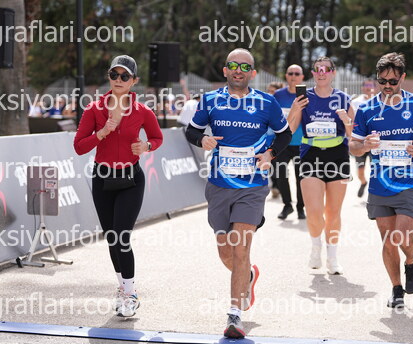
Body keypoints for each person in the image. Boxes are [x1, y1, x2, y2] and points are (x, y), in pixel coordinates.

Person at [185, 48, 292, 339]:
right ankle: (249, 275)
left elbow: (284, 134)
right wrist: (203, 139)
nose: (238, 70)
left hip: (252, 186)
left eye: (245, 66)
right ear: (225, 70)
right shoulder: (210, 100)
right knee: (225, 250)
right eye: (233, 65)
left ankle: (234, 315)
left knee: (241, 247)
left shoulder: (266, 102)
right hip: (219, 185)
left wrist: (269, 154)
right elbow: (191, 131)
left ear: (252, 73)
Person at [74, 55, 163, 317]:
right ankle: (122, 288)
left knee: (122, 236)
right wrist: (101, 133)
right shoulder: (94, 109)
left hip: (130, 180)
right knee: (112, 238)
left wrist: (147, 146)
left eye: (125, 76)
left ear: (134, 81)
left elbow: (157, 137)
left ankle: (131, 293)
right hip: (102, 179)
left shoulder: (143, 111)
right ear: (109, 77)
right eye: (114, 75)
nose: (119, 80)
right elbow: (79, 147)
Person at [350, 53, 413, 308]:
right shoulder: (366, 109)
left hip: (411, 181)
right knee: (388, 240)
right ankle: (396, 288)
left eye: (392, 81)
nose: (387, 86)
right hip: (380, 184)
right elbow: (353, 146)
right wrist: (364, 146)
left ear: (403, 78)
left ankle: (411, 261)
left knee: (401, 236)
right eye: (382, 81)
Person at [287, 56, 354, 275]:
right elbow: (289, 129)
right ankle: (316, 247)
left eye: (326, 69)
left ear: (333, 72)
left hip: (337, 155)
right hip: (310, 154)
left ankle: (332, 258)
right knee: (314, 211)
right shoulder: (304, 97)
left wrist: (346, 121)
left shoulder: (343, 98)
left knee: (333, 212)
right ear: (313, 74)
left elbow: (354, 135)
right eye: (318, 69)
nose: (321, 73)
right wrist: (295, 109)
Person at [273, 64, 306, 219]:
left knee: (301, 177)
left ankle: (300, 208)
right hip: (283, 143)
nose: (293, 76)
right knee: (280, 175)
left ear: (302, 77)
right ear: (286, 76)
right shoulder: (278, 95)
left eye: (297, 73)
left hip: (301, 143)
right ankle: (287, 205)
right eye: (290, 73)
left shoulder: (306, 96)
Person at [351, 80, 377, 198]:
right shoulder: (356, 102)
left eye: (370, 85)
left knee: (375, 169)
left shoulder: (379, 102)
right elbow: (352, 120)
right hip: (360, 142)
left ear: (375, 88)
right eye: (366, 85)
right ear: (362, 88)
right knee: (360, 171)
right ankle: (363, 182)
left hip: (374, 142)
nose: (368, 87)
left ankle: (373, 192)